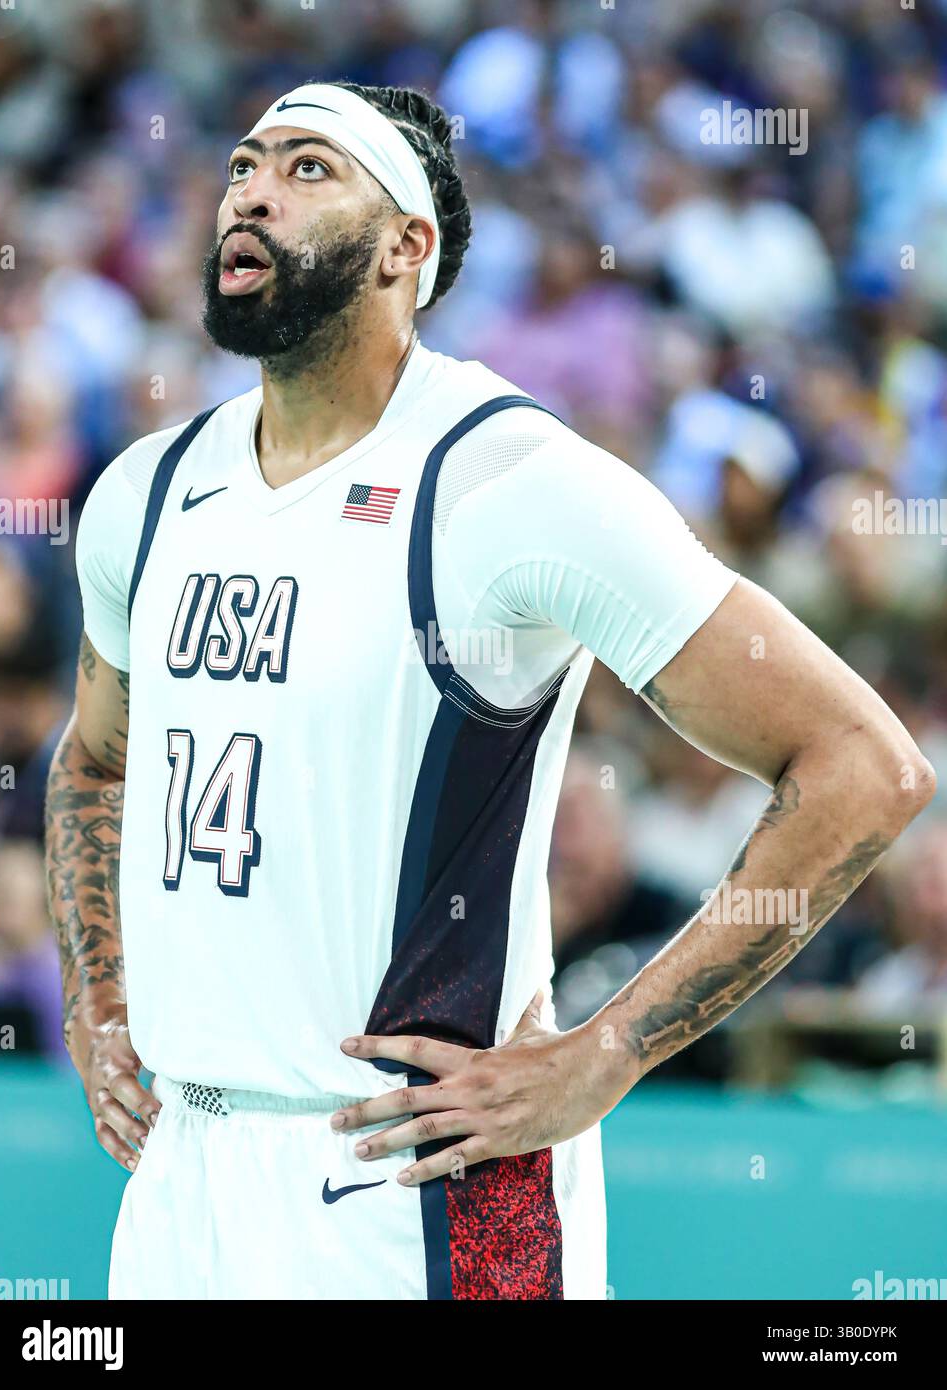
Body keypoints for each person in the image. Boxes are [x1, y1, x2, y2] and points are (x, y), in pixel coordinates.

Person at [45, 81, 935, 1301]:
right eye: (246, 162)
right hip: (185, 1177)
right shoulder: (145, 493)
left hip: (419, 1176)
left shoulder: (508, 480)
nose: (249, 190)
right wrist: (100, 1004)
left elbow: (863, 765)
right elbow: (96, 762)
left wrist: (608, 1053)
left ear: (406, 248)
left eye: (309, 169)